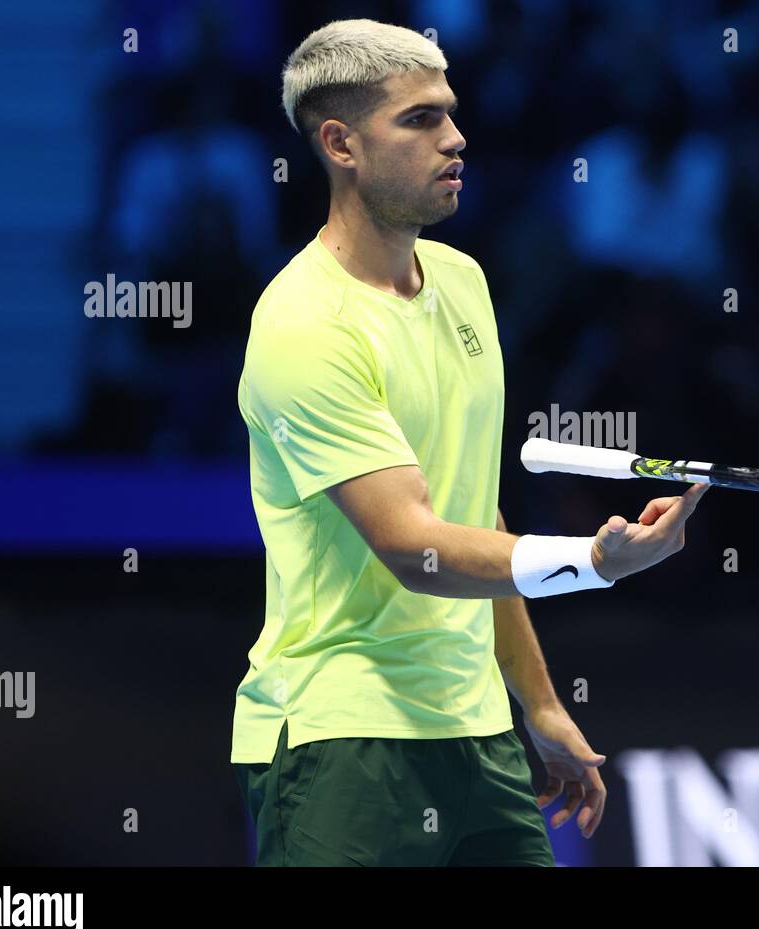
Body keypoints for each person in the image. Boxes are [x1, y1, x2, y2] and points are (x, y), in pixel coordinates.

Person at [231, 18, 708, 866]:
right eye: (418, 120)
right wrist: (594, 563)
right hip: (341, 741)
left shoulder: (463, 282)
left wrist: (540, 703)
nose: (455, 138)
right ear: (340, 143)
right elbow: (415, 548)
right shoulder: (303, 323)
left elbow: (467, 515)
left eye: (450, 112)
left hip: (479, 736)